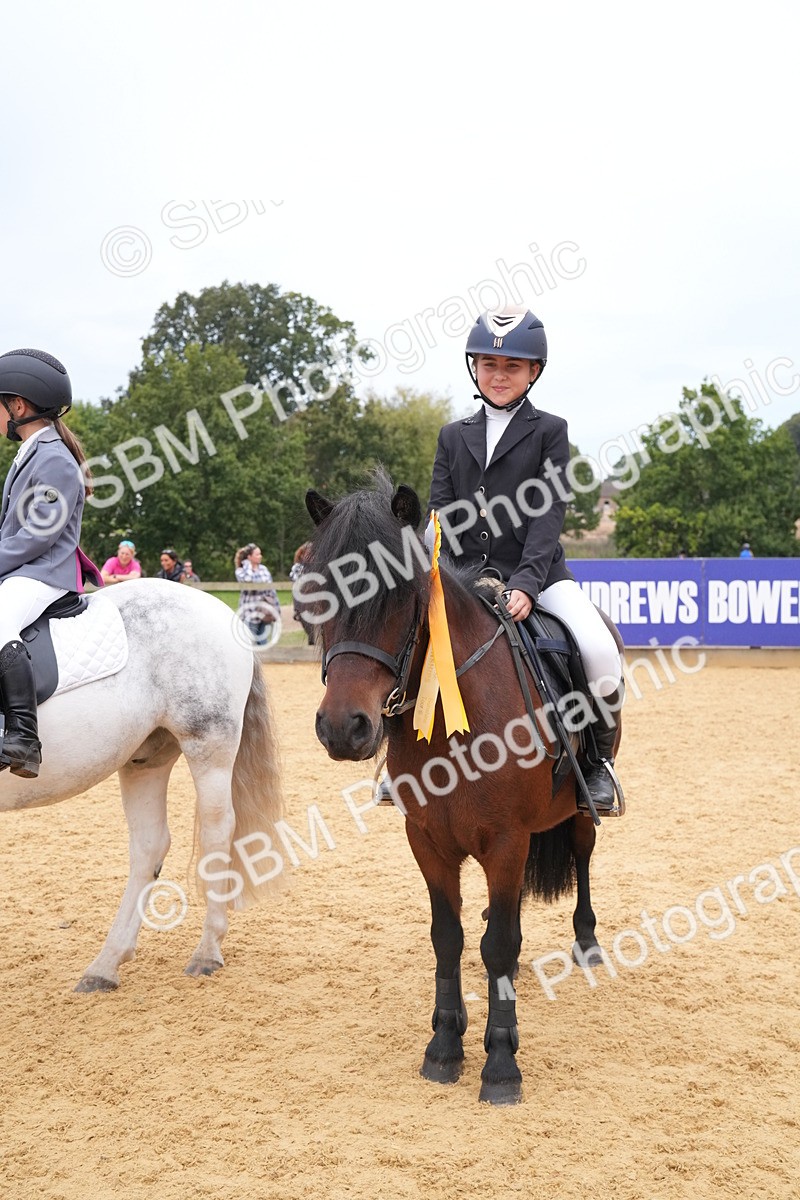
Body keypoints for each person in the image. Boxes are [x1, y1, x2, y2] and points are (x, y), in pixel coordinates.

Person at [428, 306, 625, 812]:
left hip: (539, 575)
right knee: (411, 643)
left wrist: (528, 584)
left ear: (533, 371)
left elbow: (549, 511)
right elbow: (441, 513)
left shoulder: (550, 431)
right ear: (474, 367)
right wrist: (437, 576)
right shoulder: (453, 436)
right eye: (489, 364)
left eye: (512, 366)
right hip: (465, 578)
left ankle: (597, 765)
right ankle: (402, 763)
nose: (499, 375)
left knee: (600, 651)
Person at [0, 347, 96, 778]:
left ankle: (23, 737)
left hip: (44, 572)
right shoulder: (31, 454)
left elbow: (38, 535)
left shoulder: (54, 458)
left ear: (17, 406)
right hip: (26, 567)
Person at [235, 543, 280, 646]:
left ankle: (264, 662)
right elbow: (248, 580)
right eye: (257, 554)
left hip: (265, 612)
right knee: (250, 642)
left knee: (263, 642)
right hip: (249, 613)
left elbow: (272, 590)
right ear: (249, 557)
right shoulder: (240, 571)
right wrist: (248, 565)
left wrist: (276, 610)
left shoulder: (264, 569)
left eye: (260, 554)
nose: (260, 556)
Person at [290, 541, 315, 645]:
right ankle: (298, 611)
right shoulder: (298, 567)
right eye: (309, 553)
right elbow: (298, 580)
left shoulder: (318, 566)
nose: (312, 556)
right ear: (302, 554)